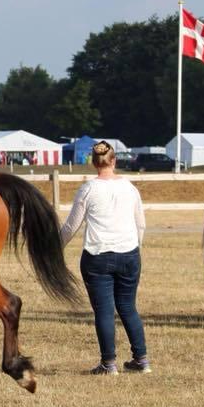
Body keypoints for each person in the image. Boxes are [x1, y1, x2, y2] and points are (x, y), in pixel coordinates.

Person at [60, 141, 151, 375]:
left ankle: (108, 363)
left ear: (93, 163)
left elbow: (72, 225)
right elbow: (140, 223)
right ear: (114, 161)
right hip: (129, 253)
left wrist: (56, 247)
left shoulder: (88, 189)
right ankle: (141, 359)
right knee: (128, 307)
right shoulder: (130, 188)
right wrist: (135, 248)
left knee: (104, 311)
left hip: (98, 255)